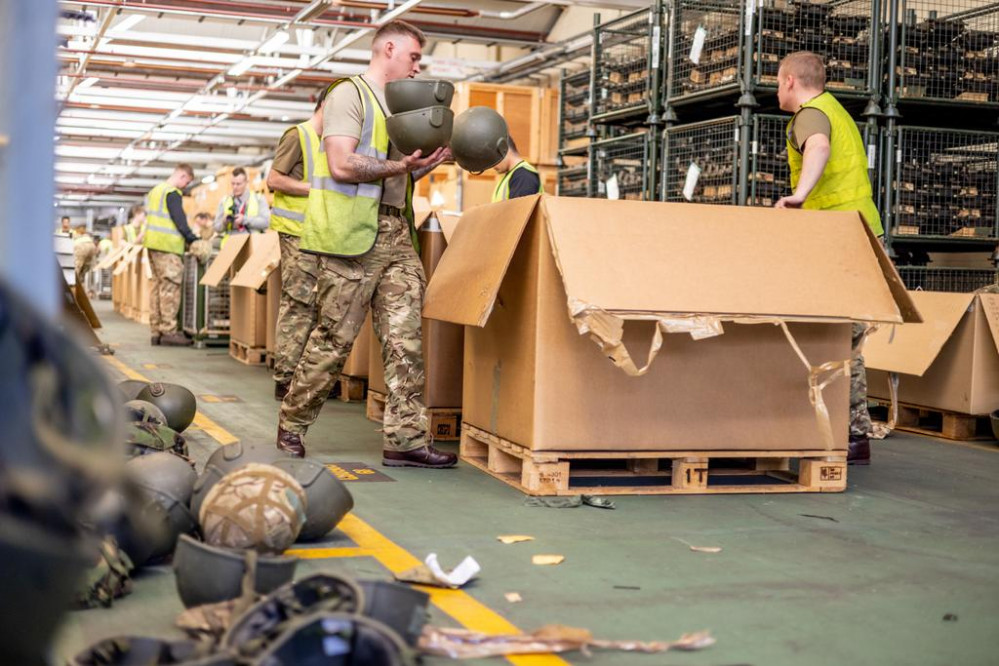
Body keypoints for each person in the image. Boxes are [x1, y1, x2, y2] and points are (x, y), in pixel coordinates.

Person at [276, 19, 455, 469]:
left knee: (405, 339)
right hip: (352, 237)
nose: (417, 68)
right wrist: (399, 168)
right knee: (334, 339)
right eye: (413, 57)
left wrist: (425, 164)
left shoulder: (400, 109)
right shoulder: (348, 95)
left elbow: (395, 178)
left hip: (395, 232)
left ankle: (405, 437)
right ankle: (292, 423)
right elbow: (341, 164)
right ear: (388, 49)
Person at [774, 51, 883, 466]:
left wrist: (798, 196)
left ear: (789, 81)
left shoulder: (811, 114)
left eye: (777, 81)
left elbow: (817, 147)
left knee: (835, 336)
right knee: (847, 337)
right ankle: (852, 437)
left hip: (837, 241)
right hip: (859, 232)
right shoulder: (836, 109)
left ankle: (844, 434)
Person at [267, 86, 329, 401]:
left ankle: (305, 380)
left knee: (318, 306)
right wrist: (313, 190)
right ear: (326, 106)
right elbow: (274, 179)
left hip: (320, 236)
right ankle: (286, 377)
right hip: (295, 233)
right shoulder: (298, 135)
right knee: (298, 304)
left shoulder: (330, 142)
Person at [143, 163, 199, 346]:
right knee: (169, 288)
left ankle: (156, 331)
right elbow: (179, 220)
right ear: (182, 176)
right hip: (167, 247)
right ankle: (169, 331)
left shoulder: (155, 191)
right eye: (187, 182)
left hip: (152, 245)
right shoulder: (172, 193)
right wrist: (192, 239)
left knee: (157, 287)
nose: (185, 186)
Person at [213, 167, 270, 246]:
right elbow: (217, 228)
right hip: (230, 247)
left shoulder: (258, 199)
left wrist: (244, 219)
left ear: (246, 182)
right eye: (233, 183)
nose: (235, 187)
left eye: (238, 184)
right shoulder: (225, 201)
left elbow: (266, 222)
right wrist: (224, 222)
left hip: (252, 246)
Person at [491, 135, 543, 202]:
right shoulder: (511, 176)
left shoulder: (523, 176)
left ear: (504, 150)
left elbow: (520, 211)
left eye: (494, 159)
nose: (493, 165)